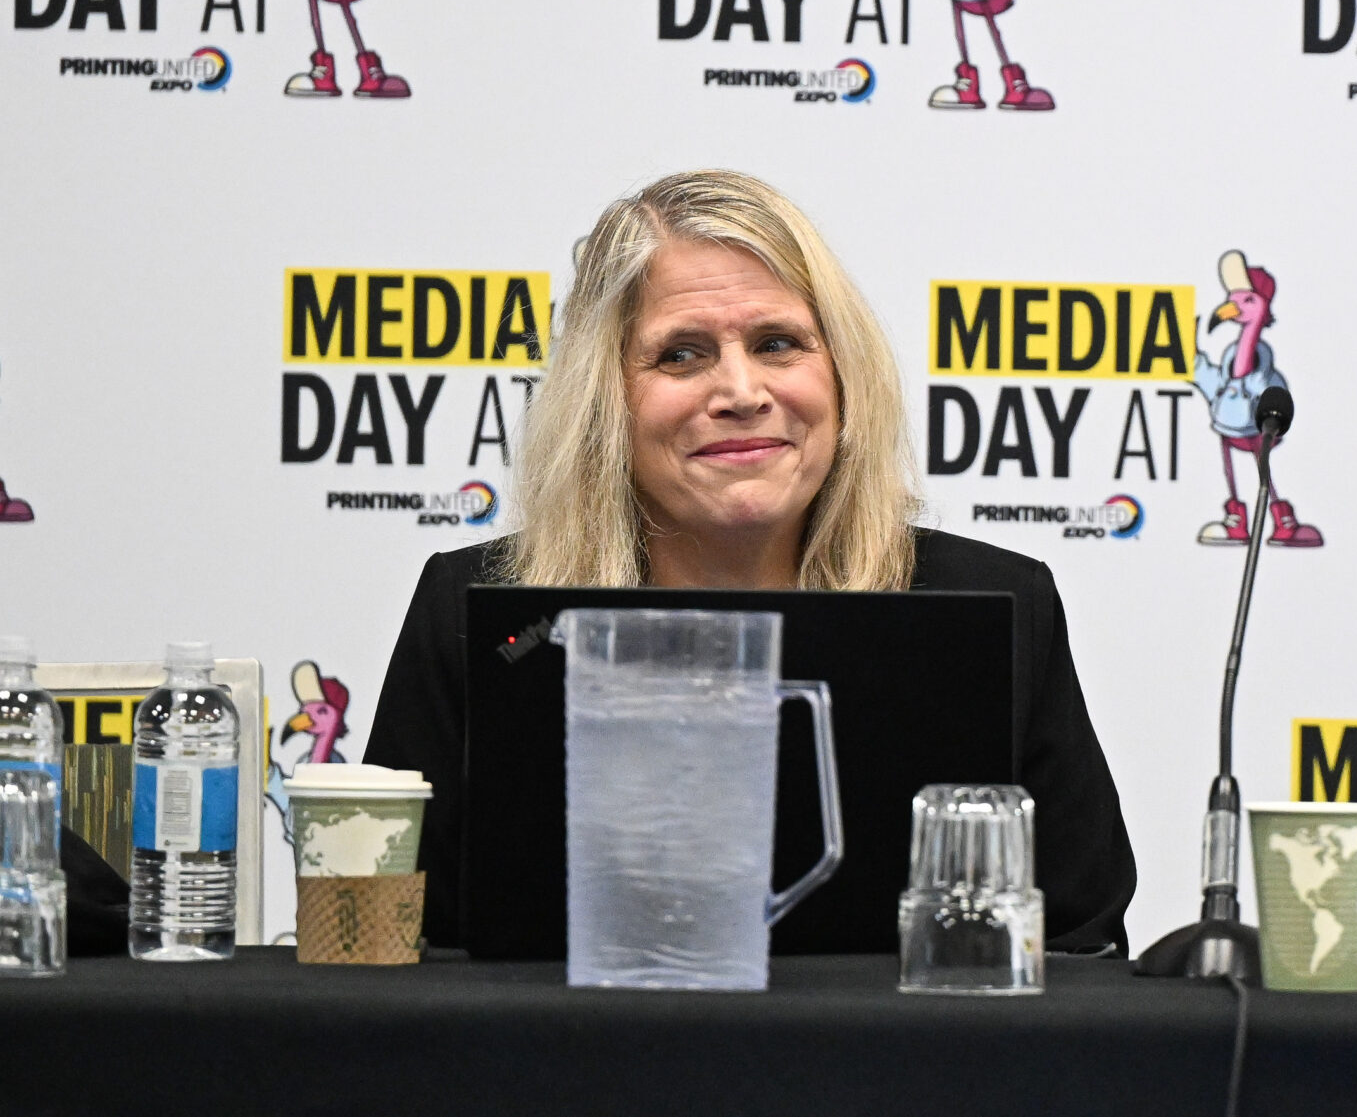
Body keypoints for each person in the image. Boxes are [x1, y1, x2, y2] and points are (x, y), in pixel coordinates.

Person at [367, 170, 1137, 950]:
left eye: (777, 343)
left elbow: (1085, 945)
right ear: (605, 399)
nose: (740, 389)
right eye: (681, 354)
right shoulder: (478, 610)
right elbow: (391, 946)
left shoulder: (996, 602)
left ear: (841, 375)